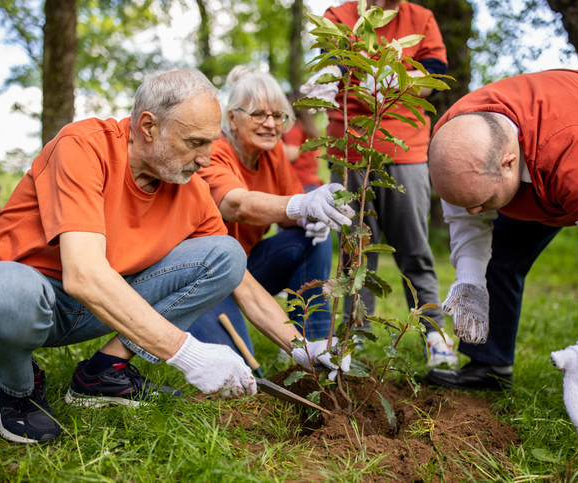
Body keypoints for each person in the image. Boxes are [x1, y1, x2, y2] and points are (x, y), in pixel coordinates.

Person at [0, 70, 349, 445]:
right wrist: (188, 354)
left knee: (227, 253)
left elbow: (239, 280)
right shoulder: (84, 146)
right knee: (3, 293)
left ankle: (102, 374)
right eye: (195, 143)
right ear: (148, 127)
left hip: (102, 305)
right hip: (31, 295)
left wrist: (301, 347)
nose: (206, 159)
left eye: (211, 143)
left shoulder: (189, 187)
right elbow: (84, 275)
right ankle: (16, 388)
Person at [425, 69, 578, 459]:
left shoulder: (568, 149)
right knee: (499, 255)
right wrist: (470, 279)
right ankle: (488, 368)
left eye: (482, 201)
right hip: (544, 168)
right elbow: (467, 217)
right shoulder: (457, 143)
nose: (474, 211)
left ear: (509, 163)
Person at [301, 0, 455, 366]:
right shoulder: (338, 16)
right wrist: (329, 78)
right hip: (350, 152)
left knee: (413, 248)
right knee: (356, 252)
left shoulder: (421, 19)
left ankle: (435, 336)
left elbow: (434, 74)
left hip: (406, 150)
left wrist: (393, 76)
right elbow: (332, 58)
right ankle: (353, 339)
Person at [190, 66, 355, 348]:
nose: (270, 123)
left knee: (313, 239)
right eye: (258, 114)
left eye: (277, 115)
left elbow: (289, 213)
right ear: (232, 117)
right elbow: (236, 205)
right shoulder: (214, 150)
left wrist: (308, 219)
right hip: (202, 279)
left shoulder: (272, 151)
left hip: (245, 269)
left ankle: (315, 342)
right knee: (238, 371)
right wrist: (304, 203)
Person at [282, 104, 323, 193]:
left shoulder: (294, 127)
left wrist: (274, 141)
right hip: (312, 184)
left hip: (299, 185)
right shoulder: (310, 129)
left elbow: (291, 154)